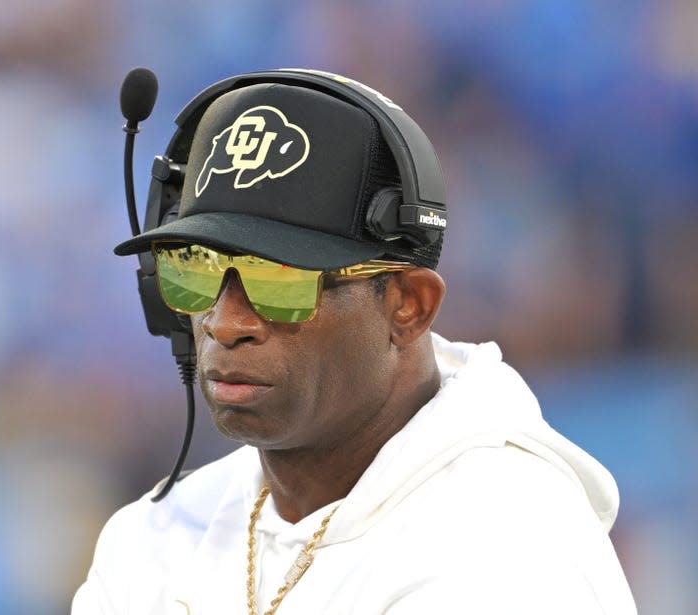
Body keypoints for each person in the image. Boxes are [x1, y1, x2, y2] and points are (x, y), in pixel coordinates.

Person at [72, 70, 636, 614]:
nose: (223, 322)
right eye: (193, 268)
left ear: (408, 306)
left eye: (279, 279)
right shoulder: (151, 540)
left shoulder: (507, 549)